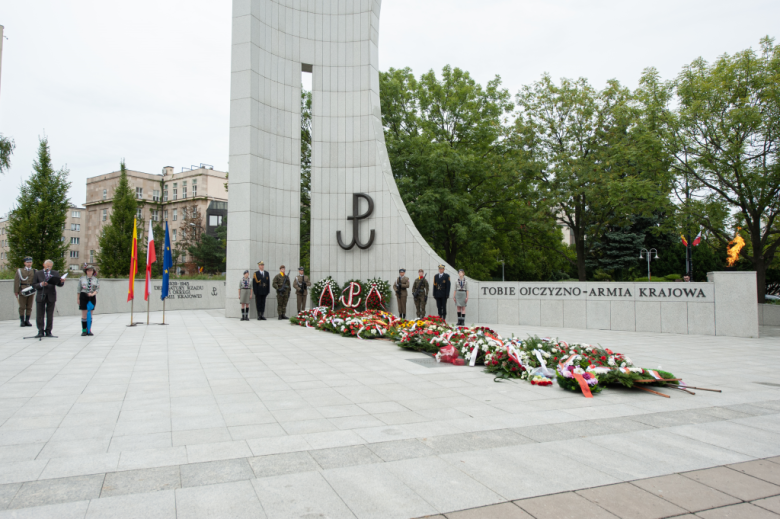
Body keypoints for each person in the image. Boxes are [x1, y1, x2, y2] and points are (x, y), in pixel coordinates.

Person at [31, 259, 66, 338]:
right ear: (44, 265)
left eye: (50, 266)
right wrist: (40, 284)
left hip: (51, 295)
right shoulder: (38, 273)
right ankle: (40, 331)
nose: (49, 268)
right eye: (47, 266)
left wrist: (62, 281)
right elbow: (33, 285)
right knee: (40, 314)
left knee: (50, 314)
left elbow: (59, 284)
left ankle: (48, 331)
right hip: (41, 295)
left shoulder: (55, 273)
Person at [76, 264, 100, 336]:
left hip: (92, 296)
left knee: (90, 314)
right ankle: (84, 330)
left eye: (91, 270)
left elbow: (97, 289)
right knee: (84, 315)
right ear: (86, 271)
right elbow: (78, 289)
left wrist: (92, 294)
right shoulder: (82, 279)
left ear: (93, 271)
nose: (90, 272)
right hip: (83, 296)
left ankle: (89, 330)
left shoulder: (96, 280)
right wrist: (78, 299)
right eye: (88, 270)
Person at [13, 257, 35, 327]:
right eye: (27, 262)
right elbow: (17, 281)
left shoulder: (34, 271)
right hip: (23, 289)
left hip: (31, 290)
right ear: (24, 263)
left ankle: (27, 320)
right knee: (22, 306)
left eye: (30, 262)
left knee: (29, 306)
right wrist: (16, 291)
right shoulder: (20, 271)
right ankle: (22, 321)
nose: (29, 264)